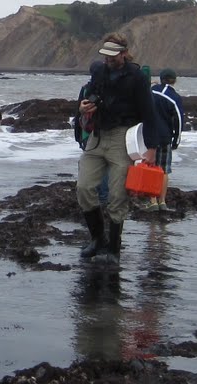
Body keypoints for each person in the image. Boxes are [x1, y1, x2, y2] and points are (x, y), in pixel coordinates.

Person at [73, 34, 173, 261]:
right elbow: (91, 97)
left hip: (122, 137)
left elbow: (149, 112)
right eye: (105, 55)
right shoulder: (99, 72)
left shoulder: (137, 77)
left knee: (117, 195)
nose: (108, 59)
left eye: (113, 55)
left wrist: (151, 149)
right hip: (97, 137)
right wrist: (83, 108)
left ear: (124, 53)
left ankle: (114, 249)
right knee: (84, 188)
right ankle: (97, 239)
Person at [150, 68, 186, 211]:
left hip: (148, 135)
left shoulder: (152, 91)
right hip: (165, 137)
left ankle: (152, 201)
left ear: (161, 78)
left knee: (151, 168)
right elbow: (178, 120)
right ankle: (162, 201)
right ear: (175, 80)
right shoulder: (175, 97)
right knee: (164, 170)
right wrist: (176, 140)